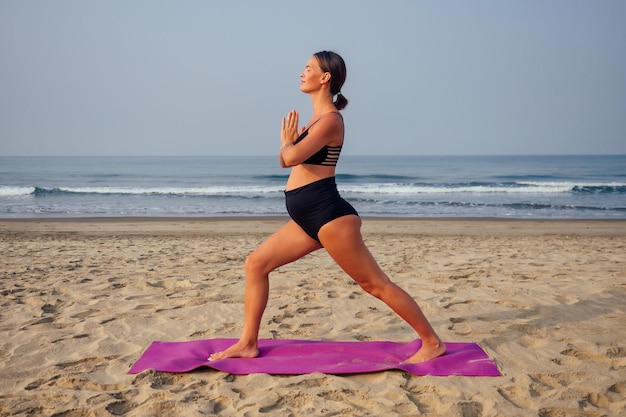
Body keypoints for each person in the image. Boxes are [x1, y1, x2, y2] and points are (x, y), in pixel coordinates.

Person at [209, 51, 446, 363]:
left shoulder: (331, 120)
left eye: (308, 68)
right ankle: (248, 343)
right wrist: (288, 146)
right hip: (307, 218)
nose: (301, 73)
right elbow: (285, 159)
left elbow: (289, 158)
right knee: (256, 264)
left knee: (374, 285)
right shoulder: (316, 121)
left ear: (325, 78)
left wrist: (287, 144)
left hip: (329, 216)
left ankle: (432, 342)